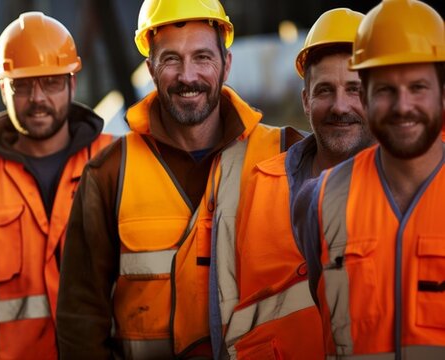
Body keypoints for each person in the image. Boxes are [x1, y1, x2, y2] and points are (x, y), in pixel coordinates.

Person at [56, 0, 303, 357]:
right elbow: (80, 321)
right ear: (151, 69)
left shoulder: (286, 155)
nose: (188, 76)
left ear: (227, 64)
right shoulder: (109, 173)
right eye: (171, 59)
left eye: (203, 57)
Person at [0, 11, 115, 359]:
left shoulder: (113, 158)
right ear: (3, 88)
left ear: (72, 84)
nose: (37, 98)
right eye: (22, 84)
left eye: (50, 81)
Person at [295, 0, 445, 357]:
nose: (402, 105)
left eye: (418, 87)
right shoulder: (317, 203)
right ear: (367, 95)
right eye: (385, 90)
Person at [222, 9, 373, 358]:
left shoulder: (414, 186)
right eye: (324, 90)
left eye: (355, 89)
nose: (340, 106)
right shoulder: (262, 185)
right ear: (305, 101)